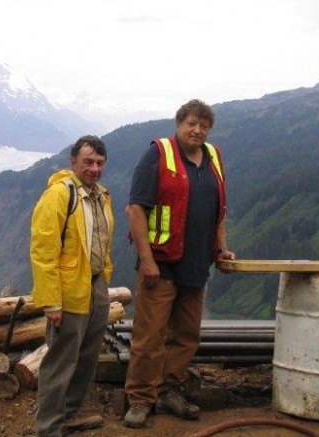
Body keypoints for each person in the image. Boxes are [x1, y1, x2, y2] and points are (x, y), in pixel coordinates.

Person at [123, 99, 235, 428]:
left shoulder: (213, 157)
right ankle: (141, 400)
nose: (197, 130)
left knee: (186, 336)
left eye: (204, 125)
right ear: (179, 123)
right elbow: (135, 210)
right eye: (191, 123)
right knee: (150, 336)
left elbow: (219, 210)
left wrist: (222, 248)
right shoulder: (158, 154)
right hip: (161, 264)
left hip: (197, 264)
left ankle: (168, 390)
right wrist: (147, 261)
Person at [30, 135, 114, 437]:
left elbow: (101, 243)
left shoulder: (101, 195)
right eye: (88, 162)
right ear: (73, 162)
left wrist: (103, 278)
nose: (94, 168)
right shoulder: (59, 195)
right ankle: (48, 427)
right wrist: (52, 302)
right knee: (61, 359)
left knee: (88, 355)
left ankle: (69, 414)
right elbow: (43, 252)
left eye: (100, 163)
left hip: (94, 286)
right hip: (68, 290)